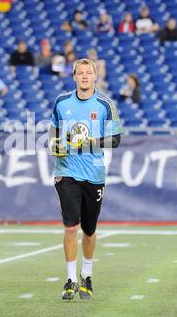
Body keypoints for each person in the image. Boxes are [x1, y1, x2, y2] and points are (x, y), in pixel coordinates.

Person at [49, 58, 122, 300]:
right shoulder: (61, 102)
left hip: (94, 173)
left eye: (88, 73)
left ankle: (86, 275)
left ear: (95, 77)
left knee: (89, 229)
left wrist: (92, 142)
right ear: (73, 77)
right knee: (71, 227)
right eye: (79, 73)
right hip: (66, 171)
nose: (84, 77)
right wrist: (55, 145)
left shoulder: (105, 104)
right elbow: (53, 135)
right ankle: (70, 279)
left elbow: (116, 139)